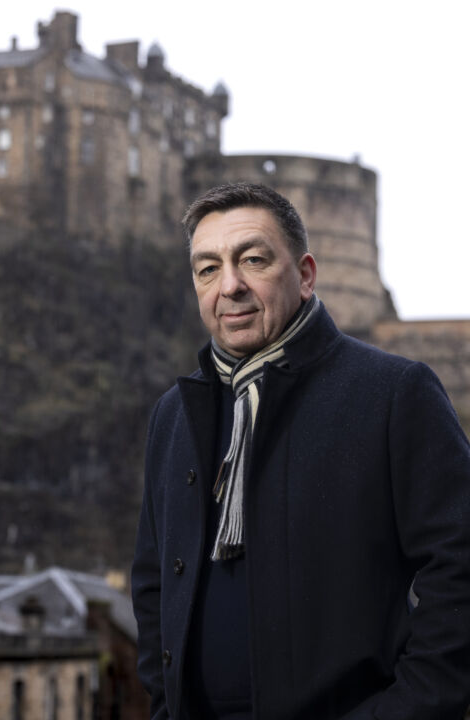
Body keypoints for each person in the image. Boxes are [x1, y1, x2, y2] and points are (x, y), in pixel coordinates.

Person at [131, 182, 470, 720]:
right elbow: (153, 586)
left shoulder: (392, 392)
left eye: (254, 260)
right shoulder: (173, 414)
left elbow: (459, 569)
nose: (230, 286)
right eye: (208, 269)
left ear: (305, 274)